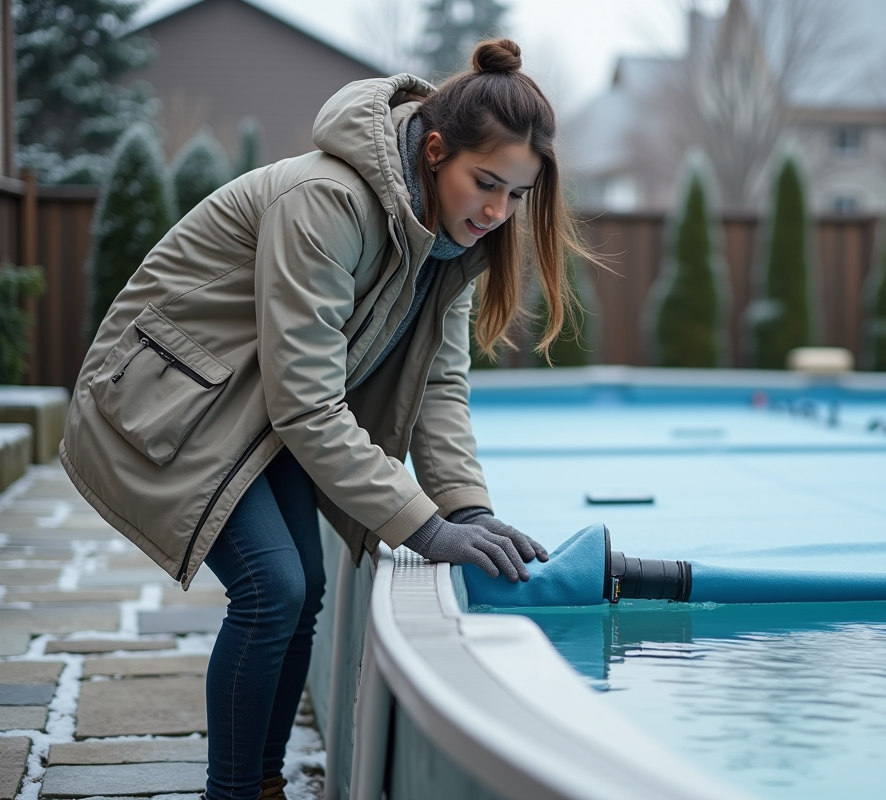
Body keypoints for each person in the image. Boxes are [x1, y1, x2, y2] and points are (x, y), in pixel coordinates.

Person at [59, 38, 588, 800]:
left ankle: (262, 784)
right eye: (486, 183)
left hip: (250, 405)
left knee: (303, 588)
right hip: (172, 397)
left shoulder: (449, 243)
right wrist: (424, 527)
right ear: (434, 150)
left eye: (518, 194)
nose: (498, 212)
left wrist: (466, 508)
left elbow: (440, 386)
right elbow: (304, 401)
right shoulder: (328, 201)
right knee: (272, 587)